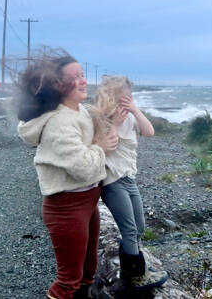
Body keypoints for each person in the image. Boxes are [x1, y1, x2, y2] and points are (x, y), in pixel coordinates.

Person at [16, 49, 118, 299]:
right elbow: (83, 166)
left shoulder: (79, 110)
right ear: (57, 86)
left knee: (87, 271)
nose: (83, 80)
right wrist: (101, 148)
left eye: (83, 74)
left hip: (87, 200)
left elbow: (93, 126)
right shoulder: (61, 122)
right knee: (67, 281)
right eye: (75, 77)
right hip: (66, 207)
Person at [92, 76, 169, 290]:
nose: (128, 100)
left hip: (129, 178)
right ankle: (136, 276)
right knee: (129, 229)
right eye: (124, 96)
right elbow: (106, 146)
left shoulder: (131, 117)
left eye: (130, 96)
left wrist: (135, 110)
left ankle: (131, 267)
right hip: (112, 181)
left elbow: (149, 132)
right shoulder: (101, 119)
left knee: (140, 227)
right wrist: (115, 124)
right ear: (111, 98)